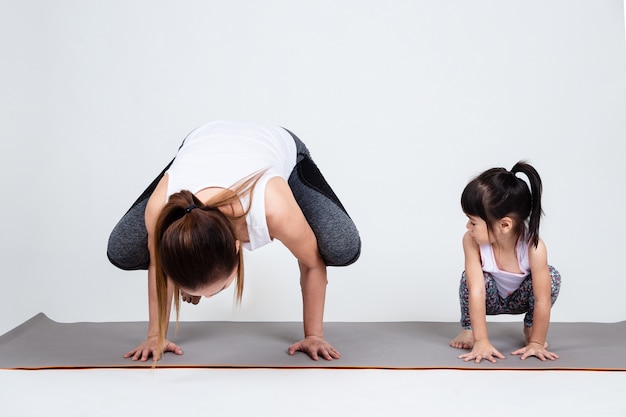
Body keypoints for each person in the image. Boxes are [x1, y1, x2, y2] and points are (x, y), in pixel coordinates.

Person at [107, 121, 361, 362]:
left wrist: (313, 336)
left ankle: (290, 167)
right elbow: (159, 268)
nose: (208, 299)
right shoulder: (160, 211)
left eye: (217, 290)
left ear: (237, 245)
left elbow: (312, 264)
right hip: (203, 141)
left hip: (274, 144)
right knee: (123, 249)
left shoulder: (273, 208)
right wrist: (155, 336)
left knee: (341, 246)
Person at [449, 161, 561, 363]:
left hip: (520, 299)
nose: (468, 226)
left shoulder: (534, 248)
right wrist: (480, 340)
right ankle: (468, 328)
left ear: (505, 224)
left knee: (552, 276)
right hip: (489, 299)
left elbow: (542, 299)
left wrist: (537, 342)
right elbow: (476, 291)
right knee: (469, 279)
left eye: (473, 221)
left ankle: (531, 329)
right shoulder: (471, 241)